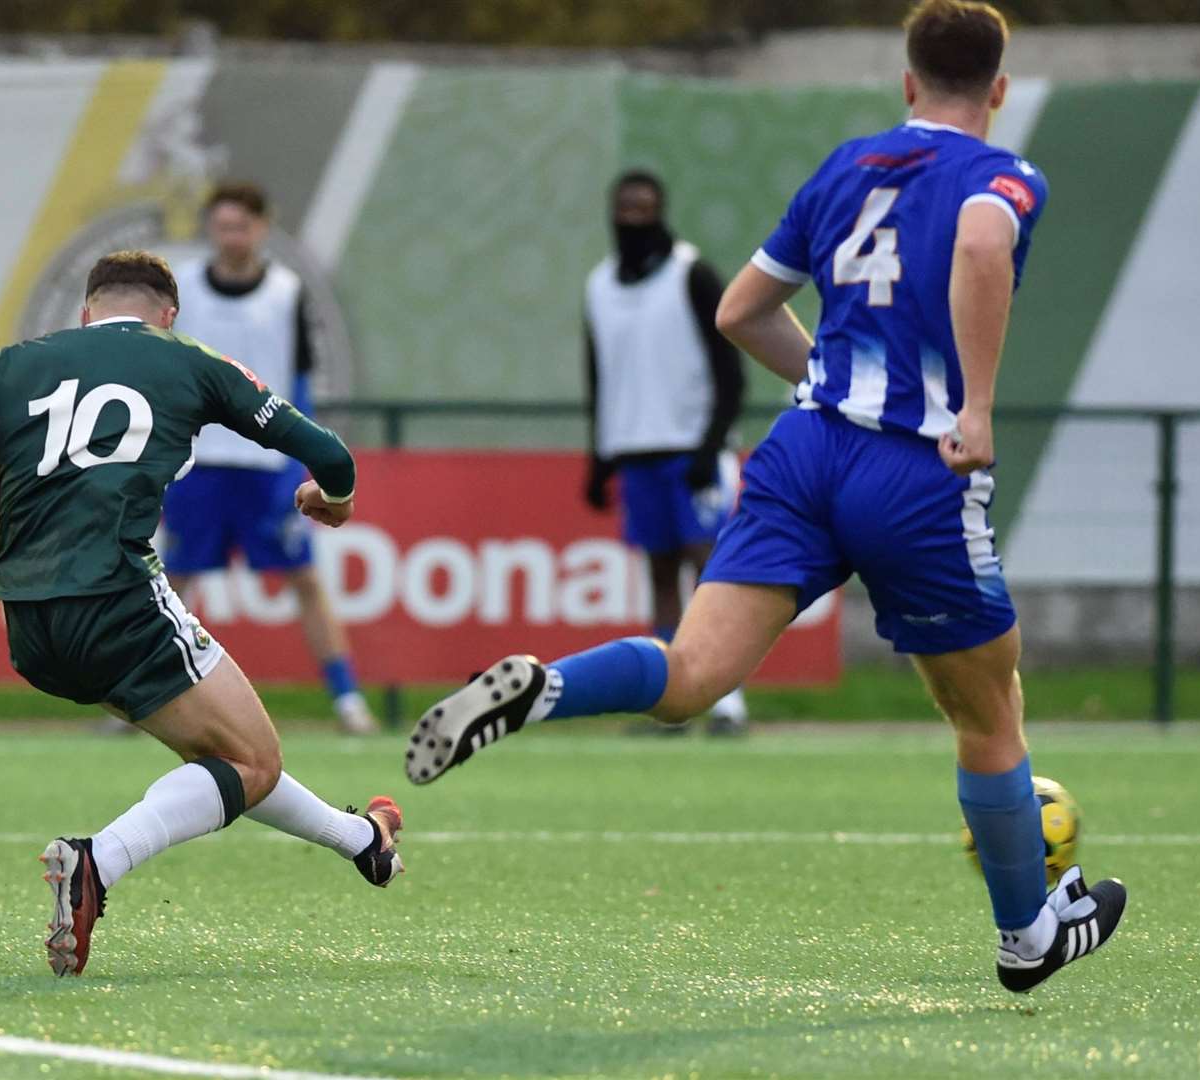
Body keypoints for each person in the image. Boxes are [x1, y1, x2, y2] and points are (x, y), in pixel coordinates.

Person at [404, 0, 1126, 994]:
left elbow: (740, 309)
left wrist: (818, 376)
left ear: (907, 82)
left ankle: (549, 687)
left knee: (693, 673)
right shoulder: (1004, 175)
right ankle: (1027, 935)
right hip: (914, 466)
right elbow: (978, 247)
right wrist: (981, 408)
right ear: (998, 90)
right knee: (991, 705)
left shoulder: (845, 169)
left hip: (801, 449)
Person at [0, 251, 404, 977]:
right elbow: (329, 454)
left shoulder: (10, 362)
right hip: (119, 599)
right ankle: (97, 863)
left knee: (225, 760)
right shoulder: (190, 360)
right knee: (253, 760)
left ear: (85, 310)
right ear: (168, 315)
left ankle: (362, 843)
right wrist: (330, 499)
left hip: (29, 623)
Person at [162, 181, 377, 735]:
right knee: (169, 583)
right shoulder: (182, 288)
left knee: (304, 578)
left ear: (261, 227)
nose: (230, 237)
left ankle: (348, 699)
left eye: (241, 226)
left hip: (266, 470)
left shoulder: (286, 292)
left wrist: (301, 462)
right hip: (199, 465)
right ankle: (141, 699)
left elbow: (299, 385)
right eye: (221, 225)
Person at [583, 170, 749, 735]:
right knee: (658, 576)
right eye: (623, 207)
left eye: (643, 208)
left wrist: (711, 442)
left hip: (691, 449)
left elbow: (731, 369)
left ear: (661, 210)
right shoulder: (600, 285)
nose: (632, 218)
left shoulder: (691, 274)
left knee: (711, 573)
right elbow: (600, 375)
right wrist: (600, 457)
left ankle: (727, 701)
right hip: (636, 450)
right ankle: (672, 699)